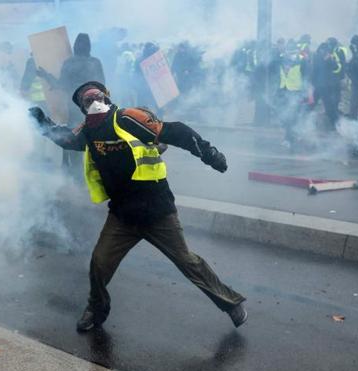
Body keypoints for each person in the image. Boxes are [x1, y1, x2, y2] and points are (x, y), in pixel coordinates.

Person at [28, 81, 247, 332]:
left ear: (108, 97)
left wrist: (209, 153)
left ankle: (231, 304)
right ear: (83, 109)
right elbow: (66, 139)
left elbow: (175, 131)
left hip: (157, 211)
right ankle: (96, 310)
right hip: (122, 215)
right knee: (99, 264)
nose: (94, 101)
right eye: (87, 100)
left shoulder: (128, 117)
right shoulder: (88, 130)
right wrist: (41, 122)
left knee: (188, 262)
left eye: (97, 96)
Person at [37, 33, 105, 177]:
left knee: (74, 135)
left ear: (75, 46)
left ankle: (76, 173)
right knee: (96, 136)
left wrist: (46, 75)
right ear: (89, 46)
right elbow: (102, 85)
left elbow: (61, 84)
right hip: (95, 108)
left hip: (75, 106)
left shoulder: (69, 63)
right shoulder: (95, 62)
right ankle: (96, 169)